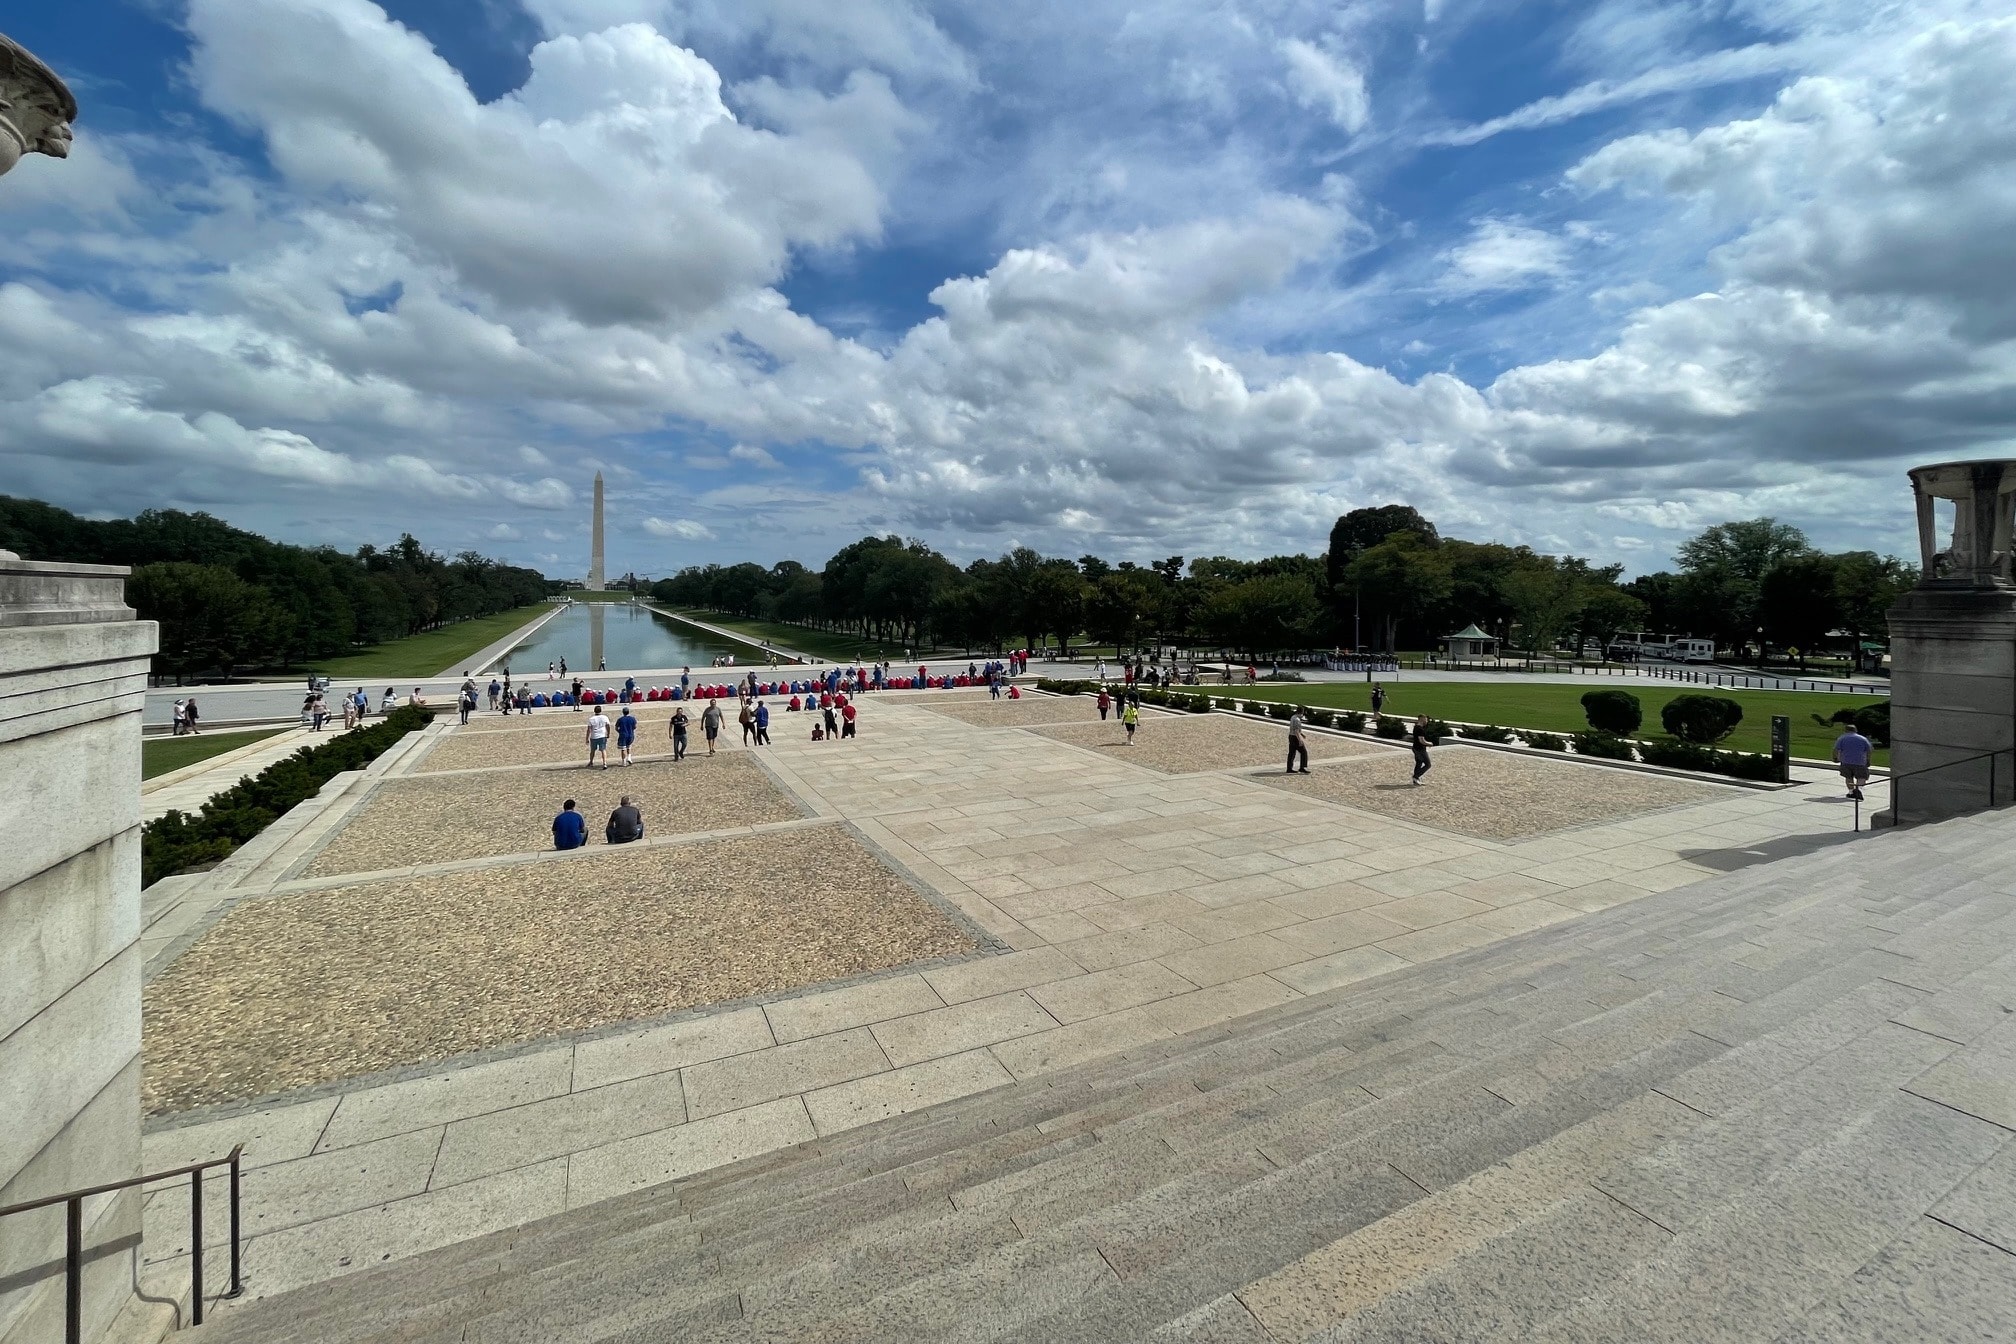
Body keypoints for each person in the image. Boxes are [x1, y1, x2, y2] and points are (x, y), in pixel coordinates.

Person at [1832, 724, 1873, 800]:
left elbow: (1836, 749)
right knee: (1862, 777)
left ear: (1846, 730)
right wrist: (1868, 760)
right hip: (1860, 762)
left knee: (1848, 777)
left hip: (1845, 762)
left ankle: (1851, 792)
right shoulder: (1863, 739)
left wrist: (1835, 758)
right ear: (1856, 730)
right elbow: (1869, 750)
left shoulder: (1842, 738)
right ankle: (1858, 789)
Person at [1410, 715, 1434, 785]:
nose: (1427, 721)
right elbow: (1422, 741)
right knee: (1428, 764)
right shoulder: (1420, 729)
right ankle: (1416, 776)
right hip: (1420, 749)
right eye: (1426, 720)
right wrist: (1429, 744)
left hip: (1415, 748)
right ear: (1422, 719)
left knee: (1419, 763)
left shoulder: (1416, 727)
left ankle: (1416, 780)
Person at [1286, 708, 1310, 774]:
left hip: (1291, 736)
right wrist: (1300, 740)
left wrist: (1302, 734)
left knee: (1291, 753)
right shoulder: (1297, 720)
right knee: (1304, 752)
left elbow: (1294, 729)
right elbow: (1296, 731)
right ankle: (1302, 767)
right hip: (1295, 737)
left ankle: (1289, 768)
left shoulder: (1293, 717)